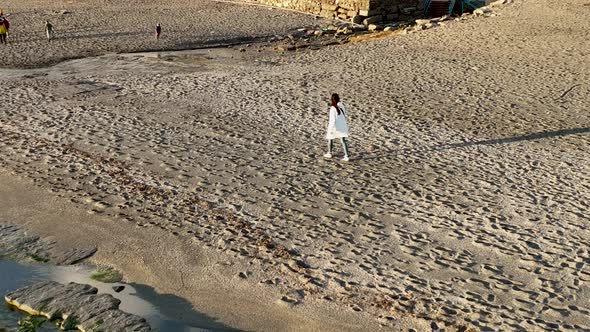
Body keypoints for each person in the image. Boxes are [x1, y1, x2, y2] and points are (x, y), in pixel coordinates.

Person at [324, 93, 350, 161]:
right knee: (343, 140)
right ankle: (346, 156)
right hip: (342, 125)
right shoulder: (341, 105)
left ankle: (329, 153)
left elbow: (332, 120)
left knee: (330, 138)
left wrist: (330, 129)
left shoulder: (332, 108)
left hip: (336, 126)